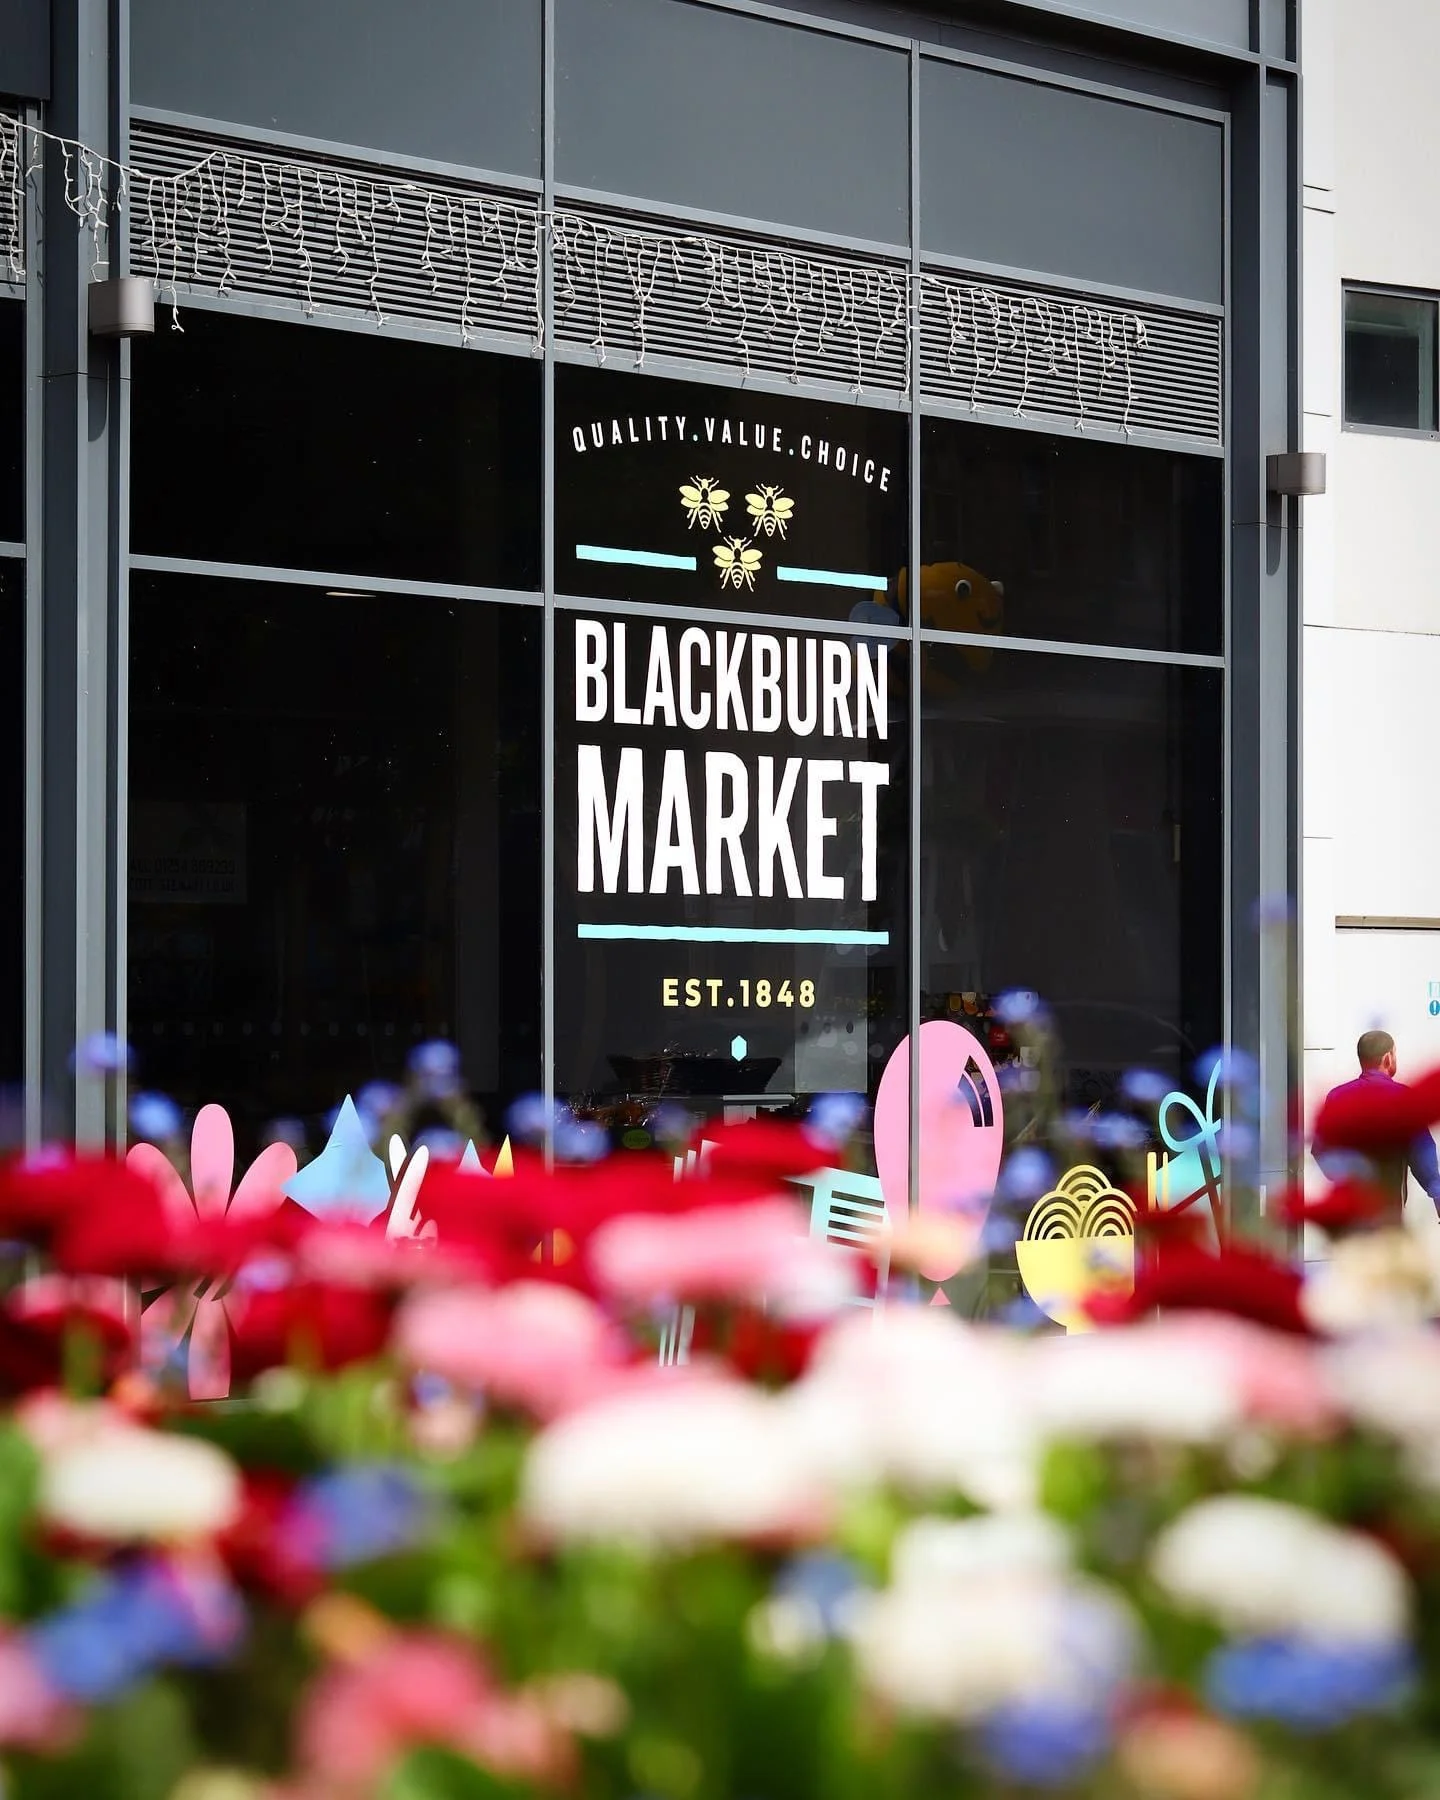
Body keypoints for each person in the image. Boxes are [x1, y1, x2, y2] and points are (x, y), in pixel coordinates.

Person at [1314, 1029, 1440, 1225]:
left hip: (1349, 1216)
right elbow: (1423, 1156)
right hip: (1388, 1213)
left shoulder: (1336, 1097)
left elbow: (1320, 1150)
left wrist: (1346, 1181)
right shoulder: (1403, 1098)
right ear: (1388, 1058)